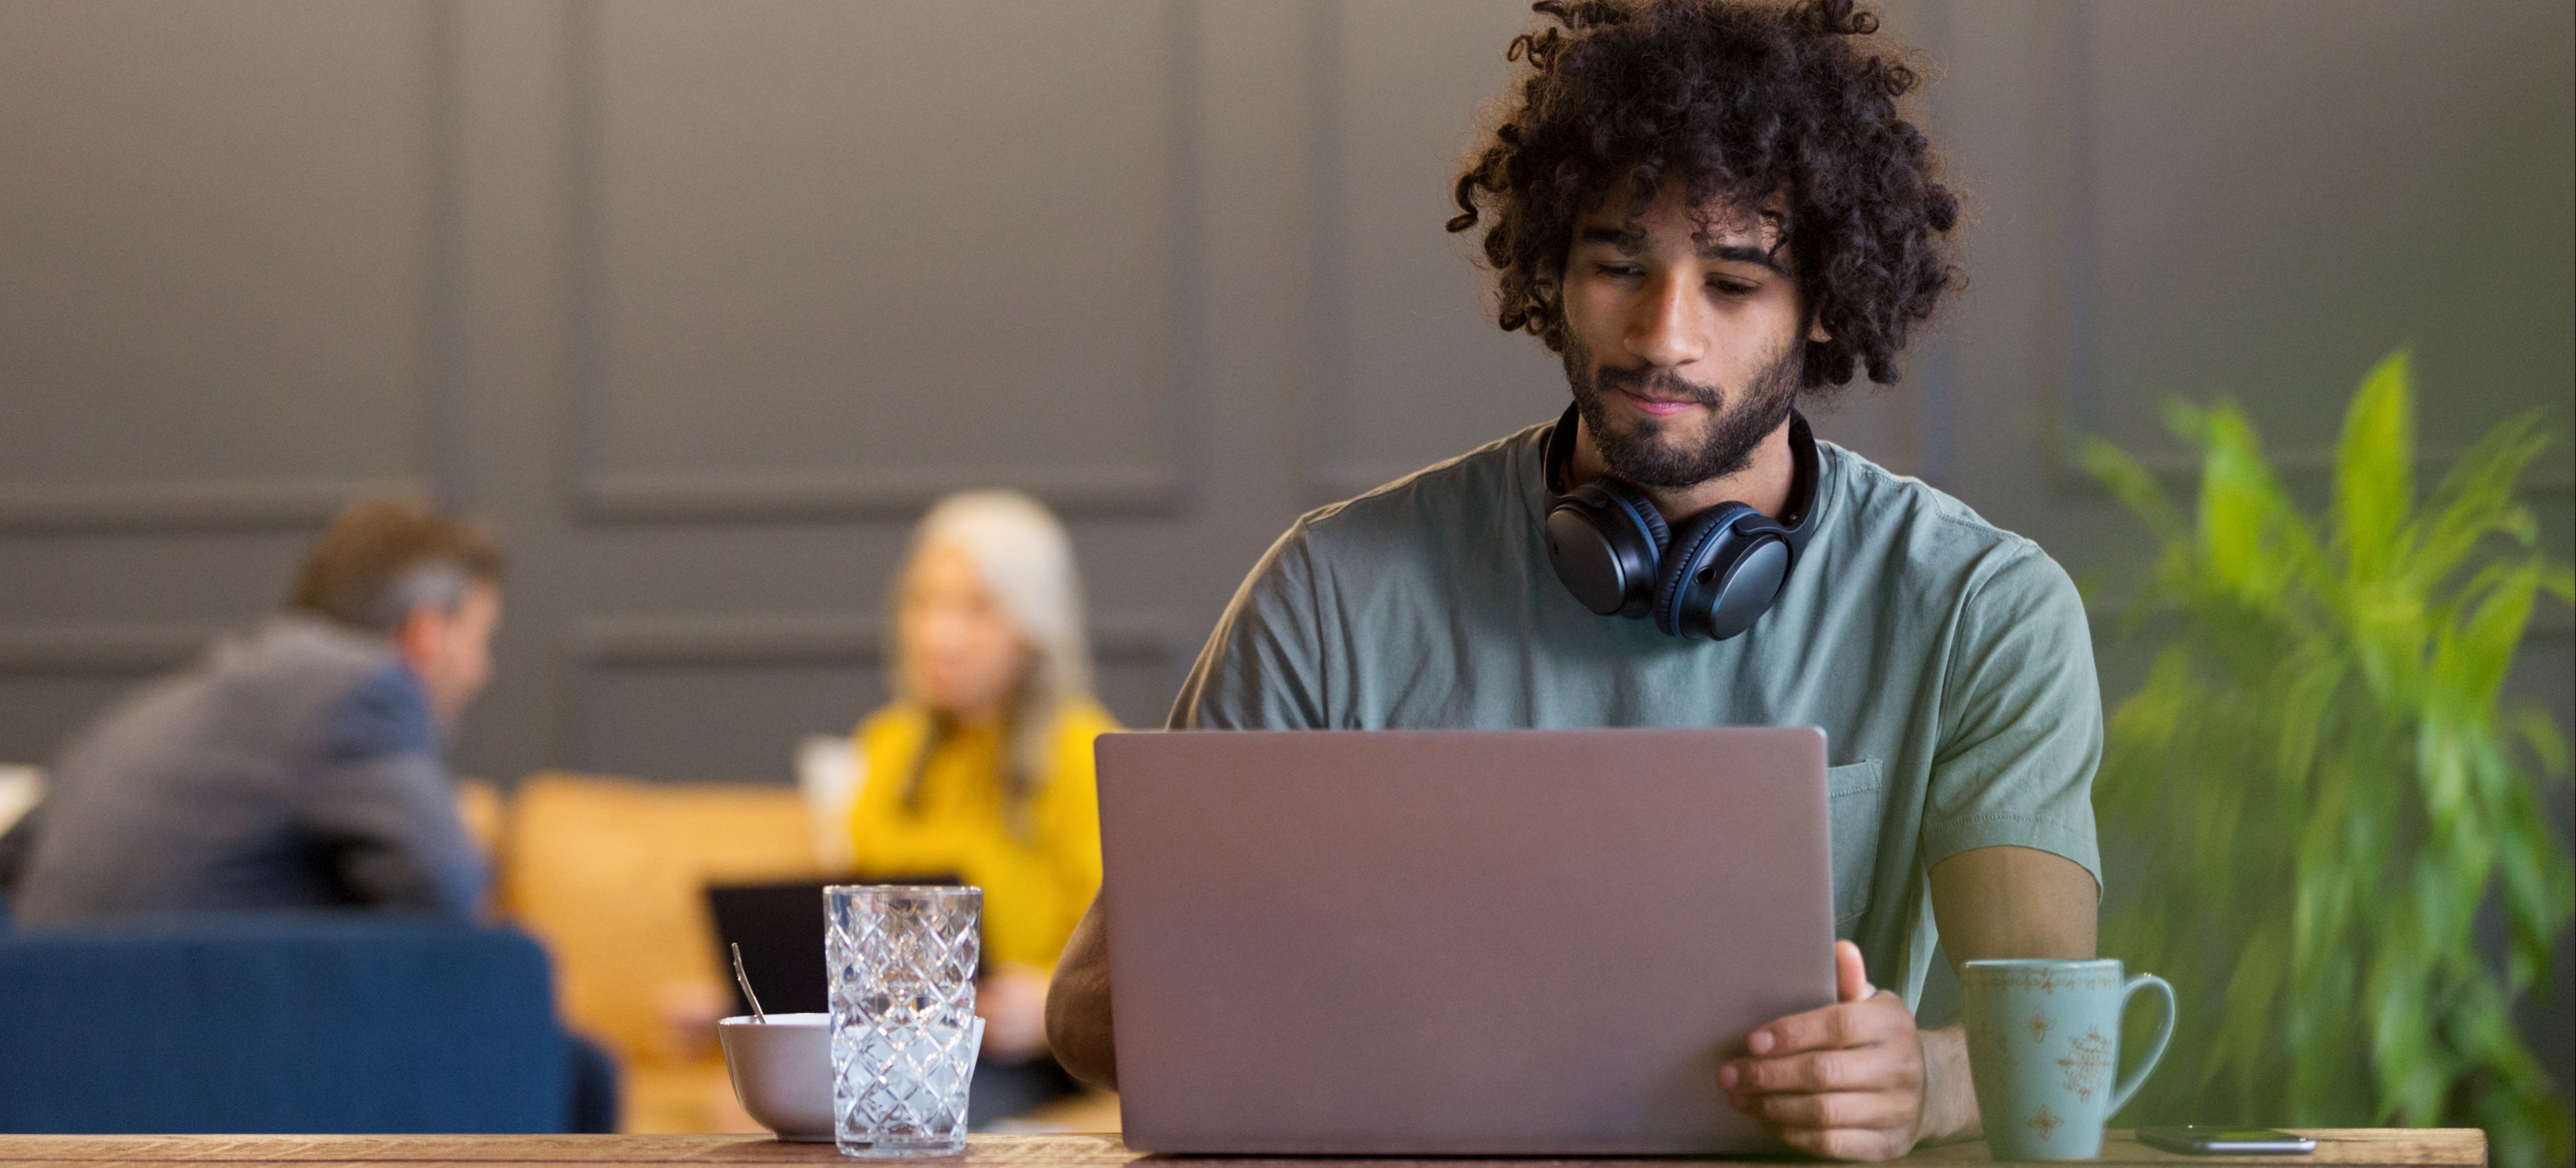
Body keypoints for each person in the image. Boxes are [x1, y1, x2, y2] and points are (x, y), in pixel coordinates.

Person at [1046, 1, 2101, 1160]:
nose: (1664, 335)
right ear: (1554, 265)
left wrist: (1921, 1082)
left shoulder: (1982, 607)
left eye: (1735, 285)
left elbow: (2045, 1040)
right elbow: (1090, 1015)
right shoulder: (1329, 593)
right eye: (1619, 264)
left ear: (1824, 306)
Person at [14, 499, 501, 922]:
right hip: (191, 1019)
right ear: (428, 634)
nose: (481, 671)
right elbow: (451, 899)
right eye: (480, 638)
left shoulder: (138, 719)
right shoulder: (361, 691)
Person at [842, 491, 1118, 1123]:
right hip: (898, 1040)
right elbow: (852, 925)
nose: (939, 634)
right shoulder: (887, 746)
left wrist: (1047, 997)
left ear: (1033, 626)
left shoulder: (1083, 753)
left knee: (889, 1111)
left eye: (976, 609)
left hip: (1025, 1058)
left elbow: (1133, 947)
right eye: (924, 603)